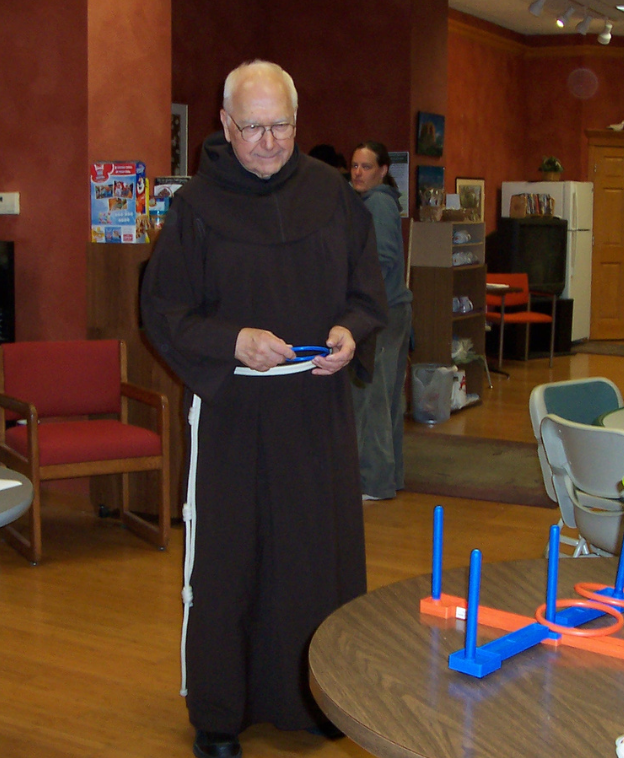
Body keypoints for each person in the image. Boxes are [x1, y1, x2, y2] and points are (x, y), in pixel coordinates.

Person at [139, 60, 387, 758]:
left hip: (316, 412)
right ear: (224, 125)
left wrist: (350, 332)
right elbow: (162, 313)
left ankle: (316, 702)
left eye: (282, 126)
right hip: (233, 415)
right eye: (254, 127)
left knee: (314, 559)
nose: (270, 142)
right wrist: (234, 341)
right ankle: (220, 716)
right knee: (229, 566)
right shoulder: (194, 209)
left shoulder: (333, 196)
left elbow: (367, 294)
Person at [349, 141, 411, 501]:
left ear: (383, 171)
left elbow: (383, 256)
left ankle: (374, 483)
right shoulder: (376, 203)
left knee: (372, 398)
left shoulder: (378, 205)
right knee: (387, 400)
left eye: (366, 167)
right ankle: (391, 477)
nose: (358, 172)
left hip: (382, 314)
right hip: (394, 310)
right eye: (354, 166)